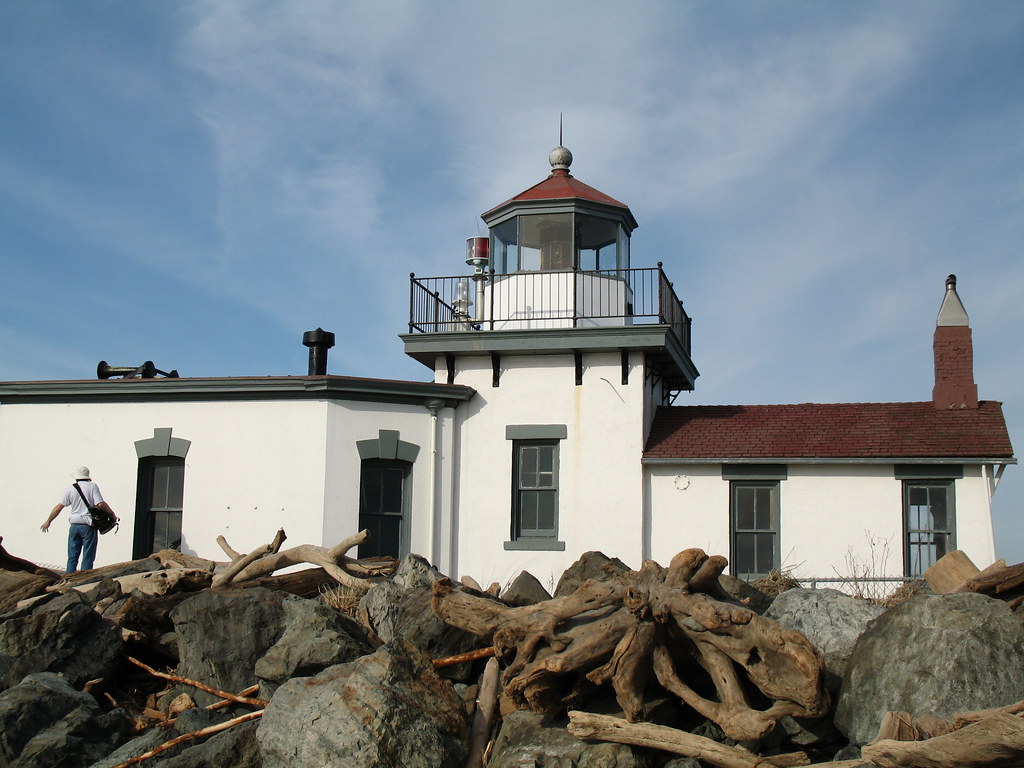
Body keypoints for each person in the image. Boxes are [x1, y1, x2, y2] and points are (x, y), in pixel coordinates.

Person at [41, 466, 118, 573]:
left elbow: (59, 507)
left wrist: (48, 521)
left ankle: (69, 578)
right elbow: (100, 504)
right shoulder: (92, 487)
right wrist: (112, 514)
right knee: (88, 556)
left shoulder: (70, 489)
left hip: (74, 526)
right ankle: (84, 578)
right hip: (88, 526)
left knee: (72, 556)